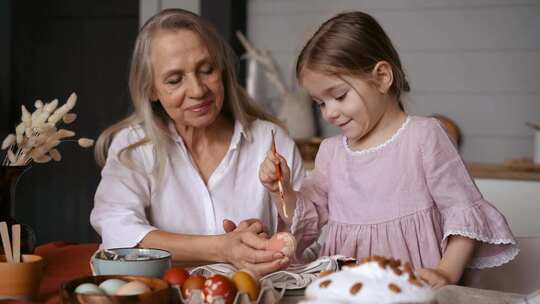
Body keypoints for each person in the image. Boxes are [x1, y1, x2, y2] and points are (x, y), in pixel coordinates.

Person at [259, 11, 518, 287]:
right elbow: (305, 223)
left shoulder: (423, 137)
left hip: (416, 294)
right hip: (348, 294)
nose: (329, 113)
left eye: (339, 96)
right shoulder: (331, 153)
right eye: (320, 103)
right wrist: (281, 190)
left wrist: (445, 273)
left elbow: (463, 214)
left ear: (382, 77)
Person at [90, 8, 304, 276]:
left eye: (206, 70)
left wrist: (266, 244)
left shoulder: (269, 140)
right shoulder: (132, 146)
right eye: (175, 80)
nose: (198, 90)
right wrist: (221, 248)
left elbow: (306, 239)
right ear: (151, 90)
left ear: (222, 71)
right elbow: (117, 231)